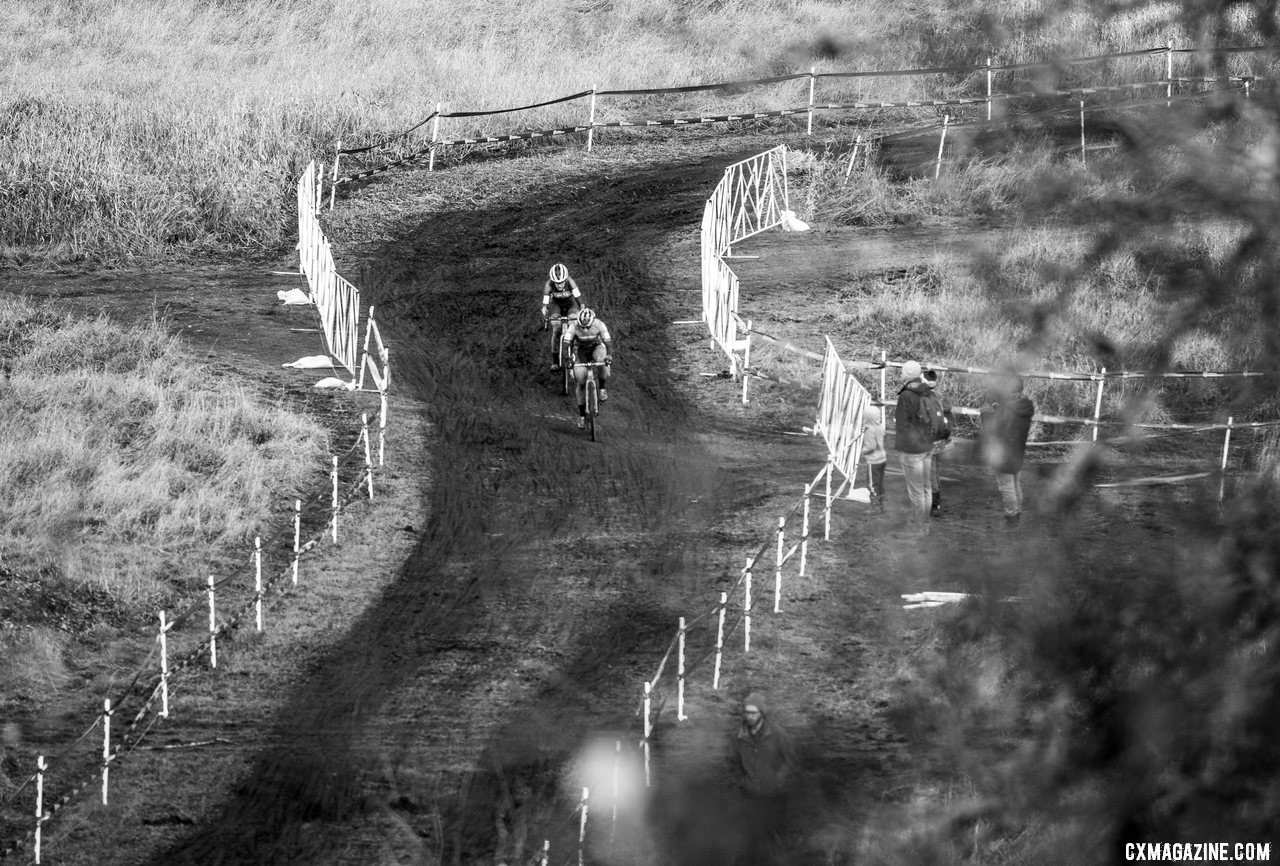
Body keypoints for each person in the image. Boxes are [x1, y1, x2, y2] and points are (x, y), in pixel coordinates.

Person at [729, 691, 797, 864]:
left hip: (774, 796)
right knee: (750, 838)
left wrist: (778, 782)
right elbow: (733, 764)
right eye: (747, 712)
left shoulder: (777, 734)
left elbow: (789, 760)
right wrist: (743, 782)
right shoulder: (739, 737)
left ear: (762, 713)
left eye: (753, 713)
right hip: (750, 796)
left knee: (774, 839)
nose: (749, 716)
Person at [979, 372, 1035, 525]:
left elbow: (995, 430)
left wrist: (986, 414)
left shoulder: (1006, 409)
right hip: (1018, 450)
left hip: (1004, 452)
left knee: (1007, 487)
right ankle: (1017, 512)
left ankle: (1011, 517)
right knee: (1015, 484)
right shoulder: (1024, 406)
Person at [894, 360, 935, 533]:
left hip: (912, 450)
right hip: (927, 447)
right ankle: (924, 524)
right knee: (926, 488)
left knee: (916, 491)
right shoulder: (928, 392)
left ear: (906, 375)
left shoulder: (906, 396)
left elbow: (902, 426)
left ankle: (919, 527)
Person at [562, 307, 612, 428]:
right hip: (580, 351)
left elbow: (608, 342)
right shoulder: (573, 326)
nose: (584, 329)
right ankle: (582, 416)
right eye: (582, 326)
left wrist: (609, 356)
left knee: (603, 362)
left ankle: (602, 388)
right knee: (581, 382)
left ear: (592, 322)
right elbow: (565, 344)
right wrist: (568, 359)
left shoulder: (599, 324)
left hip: (596, 347)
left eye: (587, 327)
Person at [921, 369, 955, 515]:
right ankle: (935, 502)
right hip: (942, 442)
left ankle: (934, 505)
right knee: (935, 472)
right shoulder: (940, 397)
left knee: (930, 474)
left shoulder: (925, 398)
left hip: (930, 442)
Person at [541, 263, 583, 370]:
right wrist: (544, 308)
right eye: (557, 283)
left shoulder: (570, 282)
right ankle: (555, 361)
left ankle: (575, 353)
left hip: (571, 304)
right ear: (553, 281)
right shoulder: (548, 285)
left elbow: (579, 301)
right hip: (556, 305)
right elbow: (545, 301)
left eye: (561, 282)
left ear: (566, 279)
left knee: (573, 325)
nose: (559, 285)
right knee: (556, 329)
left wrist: (581, 309)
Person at [862, 404, 887, 512]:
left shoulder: (869, 430)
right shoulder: (880, 427)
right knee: (879, 483)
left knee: (872, 484)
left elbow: (871, 446)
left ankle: (876, 507)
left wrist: (863, 451)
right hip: (882, 459)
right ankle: (881, 504)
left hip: (873, 460)